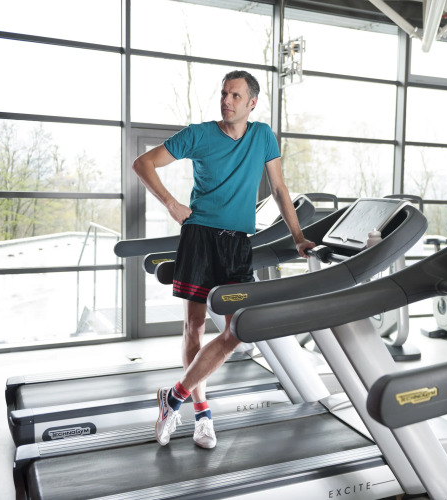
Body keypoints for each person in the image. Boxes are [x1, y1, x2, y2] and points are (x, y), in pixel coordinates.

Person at [132, 69, 315, 449]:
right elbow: (143, 163)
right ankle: (202, 416)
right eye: (223, 94)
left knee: (237, 331)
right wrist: (171, 204)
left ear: (252, 103)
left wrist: (298, 237)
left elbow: (280, 188)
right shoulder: (198, 134)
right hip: (199, 238)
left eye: (235, 96)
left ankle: (173, 397)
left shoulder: (262, 136)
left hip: (236, 246)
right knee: (194, 329)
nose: (226, 101)